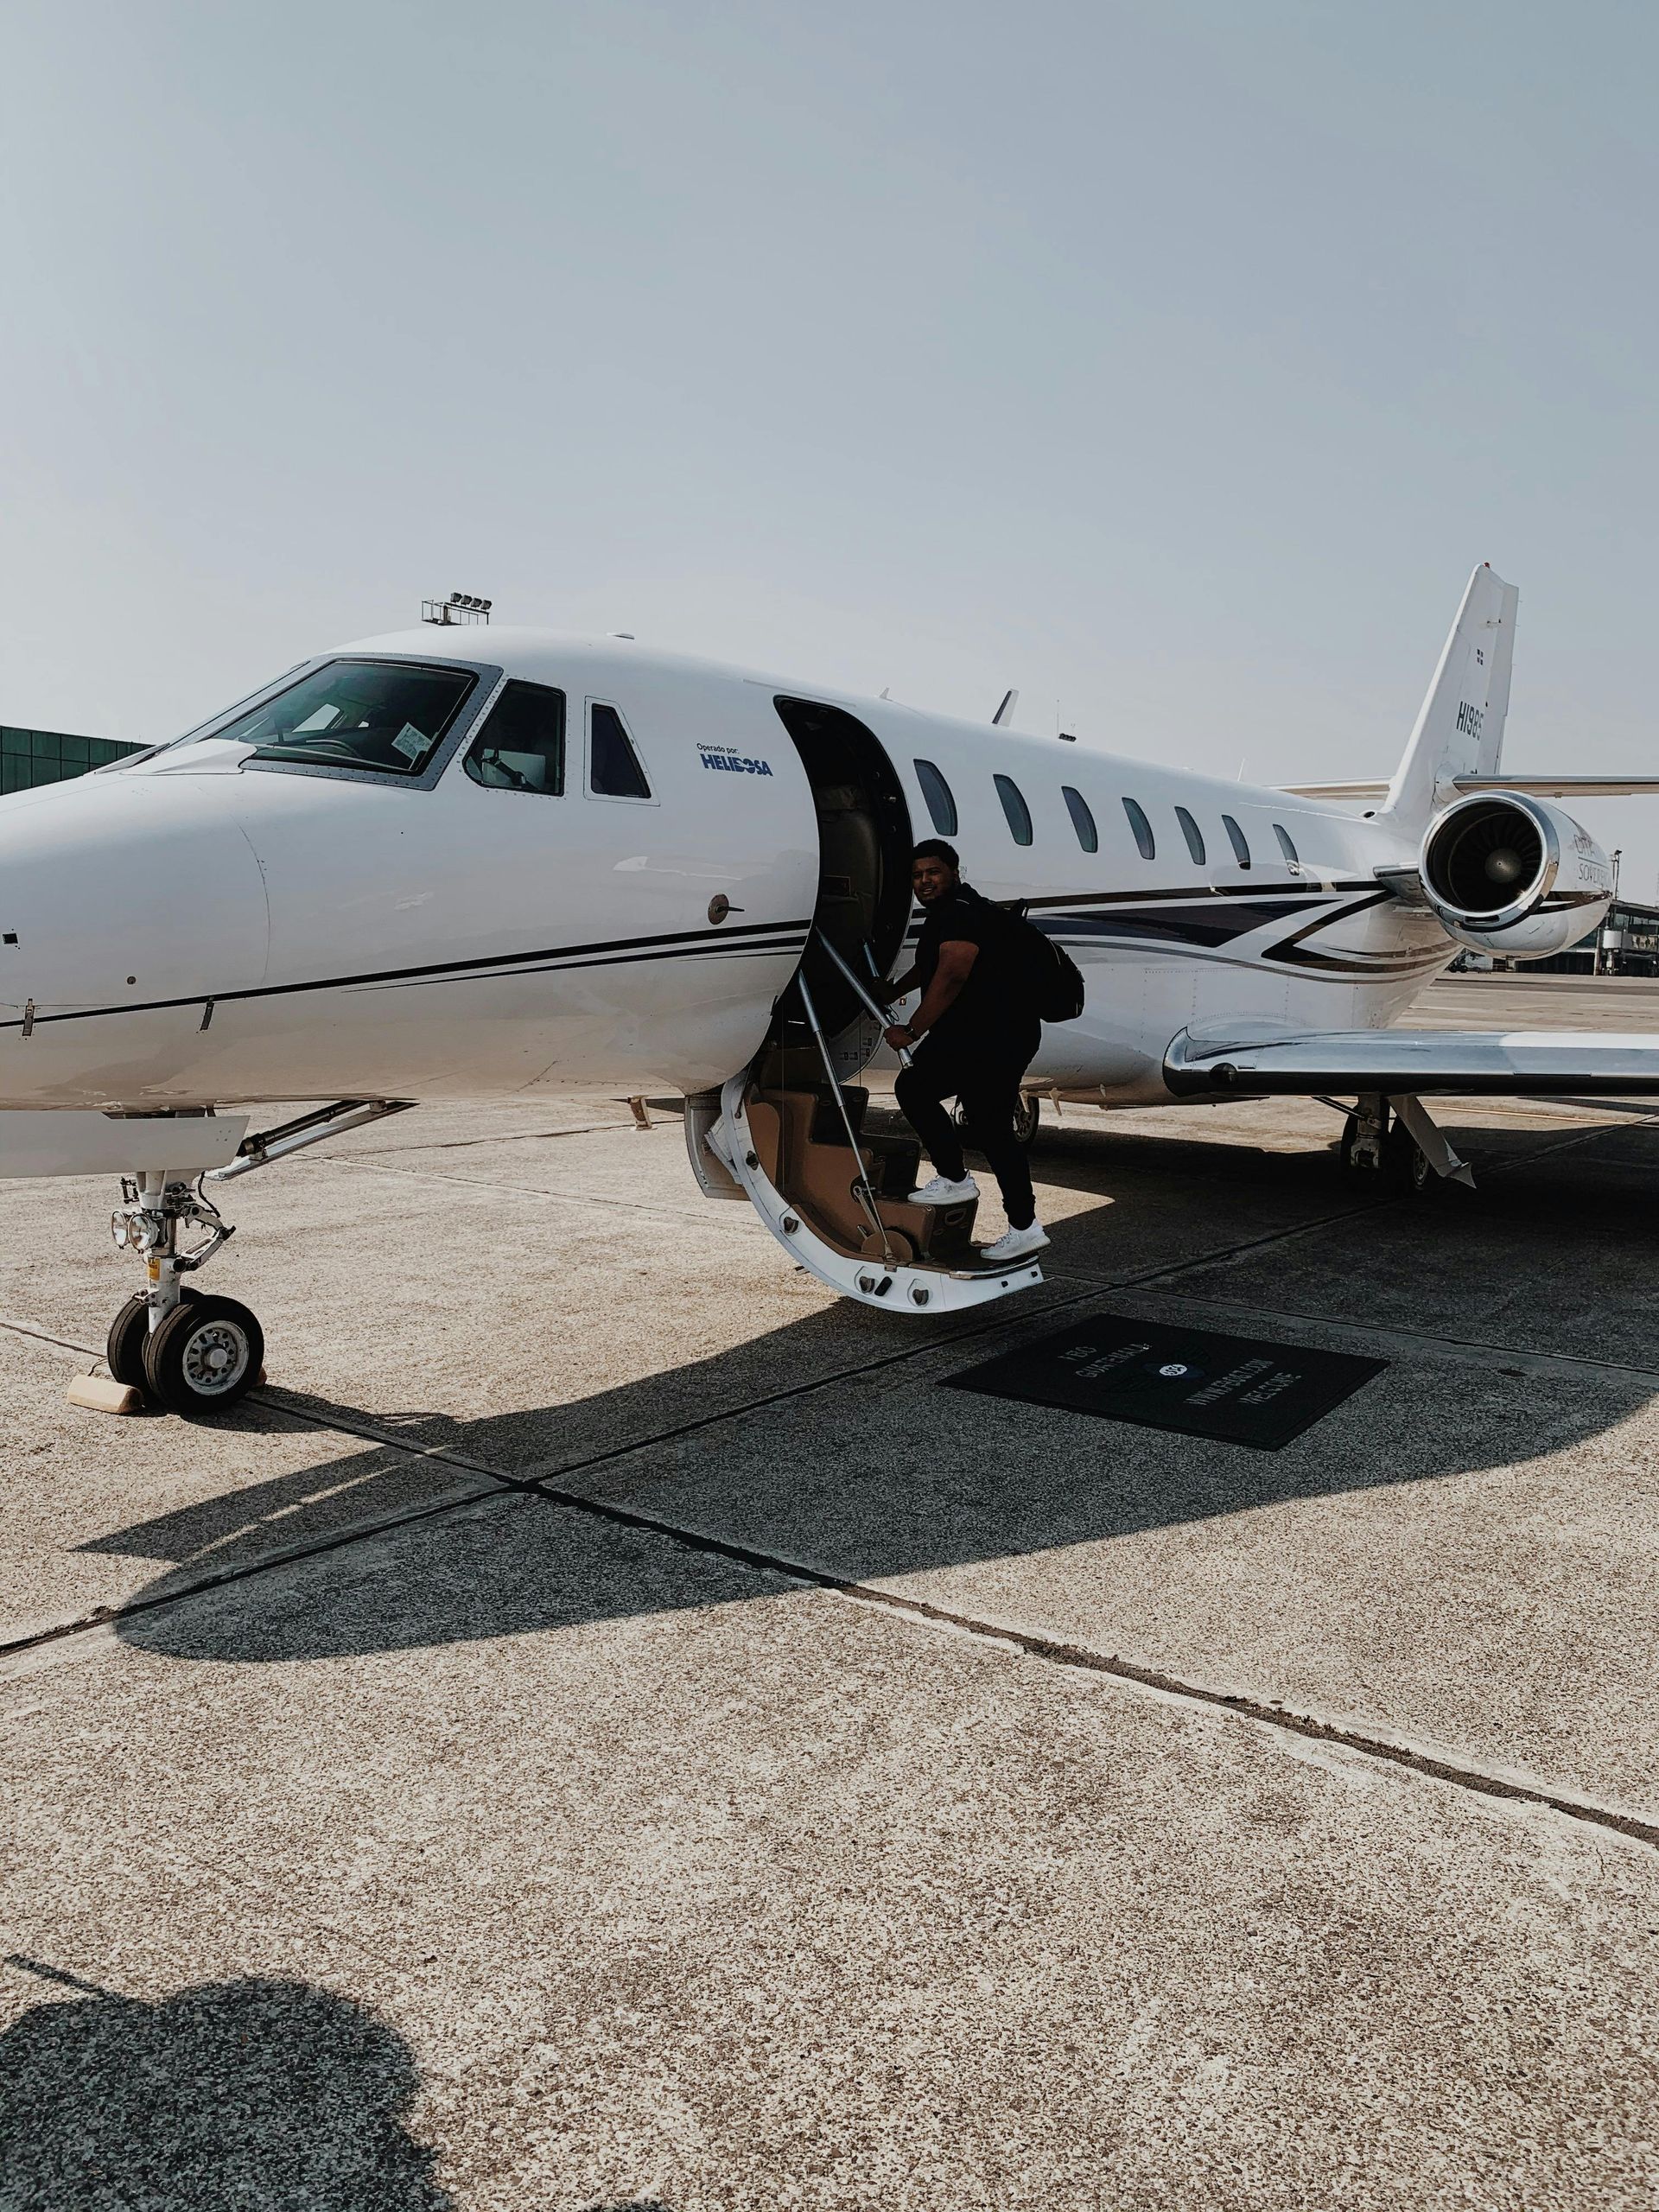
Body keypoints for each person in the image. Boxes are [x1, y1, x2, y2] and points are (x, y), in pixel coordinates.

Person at [884, 839, 1047, 1262]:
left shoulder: (959, 913)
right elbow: (932, 965)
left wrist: (912, 1030)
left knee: (915, 1089)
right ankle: (1023, 1226)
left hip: (989, 1034)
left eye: (933, 872)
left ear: (954, 872)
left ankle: (957, 1180)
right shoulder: (957, 911)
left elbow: (952, 973)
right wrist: (892, 991)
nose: (924, 881)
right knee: (991, 1127)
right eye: (917, 876)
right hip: (995, 1032)